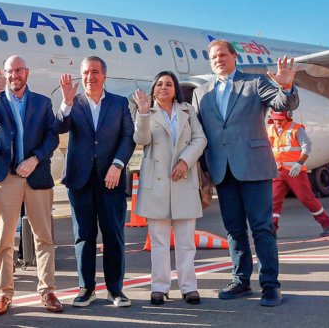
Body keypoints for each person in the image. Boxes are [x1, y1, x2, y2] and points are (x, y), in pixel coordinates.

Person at [192, 39, 299, 307]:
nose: (218, 59)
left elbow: (282, 104)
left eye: (223, 55)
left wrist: (285, 86)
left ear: (234, 57)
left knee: (262, 228)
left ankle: (271, 285)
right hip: (221, 168)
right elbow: (196, 131)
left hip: (253, 165)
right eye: (213, 56)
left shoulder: (255, 83)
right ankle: (241, 280)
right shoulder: (201, 93)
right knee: (234, 230)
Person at [0, 55, 62, 316]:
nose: (15, 75)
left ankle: (47, 290)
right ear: (4, 74)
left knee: (44, 236)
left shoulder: (42, 102)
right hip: (7, 177)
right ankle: (4, 293)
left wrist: (35, 159)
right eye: (10, 71)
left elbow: (52, 137)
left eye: (18, 70)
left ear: (26, 72)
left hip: (36, 175)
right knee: (4, 238)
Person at [55, 56, 135, 308]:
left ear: (105, 76)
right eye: (86, 72)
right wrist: (66, 103)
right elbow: (59, 126)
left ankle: (115, 290)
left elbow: (128, 137)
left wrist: (118, 164)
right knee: (84, 236)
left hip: (111, 179)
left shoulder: (120, 103)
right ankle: (86, 289)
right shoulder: (73, 102)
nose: (90, 77)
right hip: (80, 180)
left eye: (95, 72)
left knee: (113, 235)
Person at [131, 71, 207, 306]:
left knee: (186, 242)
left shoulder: (188, 111)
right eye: (160, 84)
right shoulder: (146, 112)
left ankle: (189, 287)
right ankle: (159, 287)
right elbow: (140, 139)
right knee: (160, 242)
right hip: (158, 183)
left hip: (183, 179)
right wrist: (143, 113)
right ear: (154, 88)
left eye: (169, 84)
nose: (164, 87)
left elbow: (200, 139)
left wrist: (185, 161)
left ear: (176, 89)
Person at [267, 111, 329, 237]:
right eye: (275, 119)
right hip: (278, 170)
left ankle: (327, 223)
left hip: (295, 171)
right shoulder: (270, 129)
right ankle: (272, 229)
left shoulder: (296, 129)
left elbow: (307, 146)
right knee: (273, 200)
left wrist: (299, 163)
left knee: (306, 198)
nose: (277, 122)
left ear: (288, 118)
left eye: (280, 120)